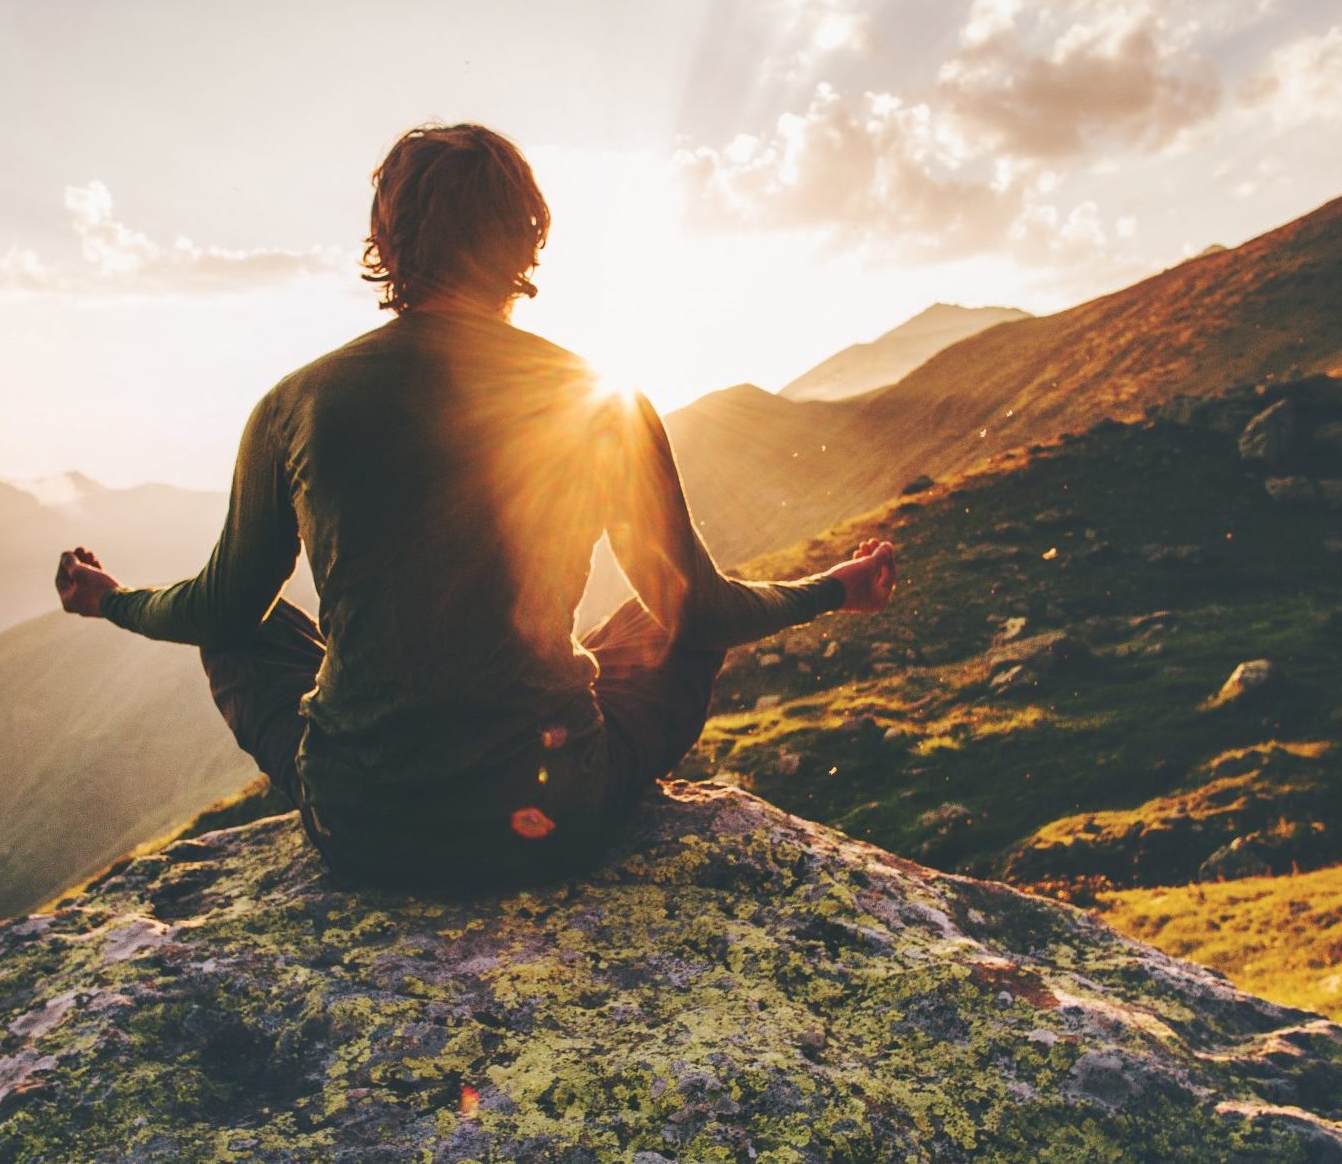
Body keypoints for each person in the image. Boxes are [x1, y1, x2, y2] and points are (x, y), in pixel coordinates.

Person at [56, 123, 897, 888]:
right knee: (664, 621)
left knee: (247, 624)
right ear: (527, 238)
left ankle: (374, 756)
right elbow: (704, 611)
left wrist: (112, 600)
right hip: (547, 822)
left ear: (387, 241)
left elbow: (216, 607)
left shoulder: (297, 402)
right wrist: (834, 587)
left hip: (362, 828)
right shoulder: (600, 398)